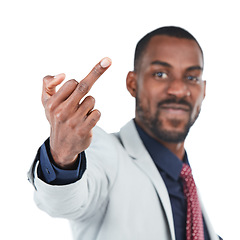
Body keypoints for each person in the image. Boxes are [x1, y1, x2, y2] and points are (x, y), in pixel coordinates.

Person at [28, 26, 221, 240]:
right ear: (132, 84)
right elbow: (63, 203)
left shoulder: (186, 180)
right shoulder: (106, 153)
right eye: (160, 74)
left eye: (191, 77)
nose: (177, 89)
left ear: (203, 90)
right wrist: (63, 156)